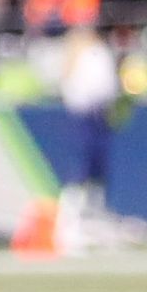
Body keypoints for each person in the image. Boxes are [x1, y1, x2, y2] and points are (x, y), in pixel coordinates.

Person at [56, 24, 119, 249]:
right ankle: (68, 227)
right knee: (80, 170)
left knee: (98, 172)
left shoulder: (99, 52)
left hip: (100, 115)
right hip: (84, 116)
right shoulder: (79, 53)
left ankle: (94, 225)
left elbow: (108, 87)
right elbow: (73, 87)